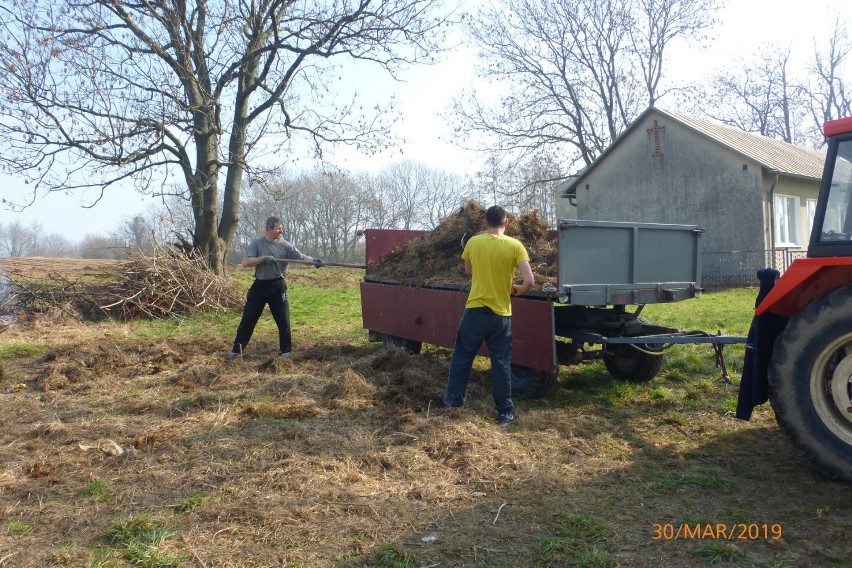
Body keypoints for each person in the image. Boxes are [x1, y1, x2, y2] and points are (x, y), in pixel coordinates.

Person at [443, 205, 535, 424]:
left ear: (485, 222)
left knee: (462, 357)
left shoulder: (473, 242)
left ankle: (453, 402)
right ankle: (505, 411)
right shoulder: (515, 246)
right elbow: (530, 280)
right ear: (507, 222)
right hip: (501, 313)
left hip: (475, 310)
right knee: (501, 362)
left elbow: (469, 270)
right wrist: (517, 290)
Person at [228, 216, 322, 359]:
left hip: (278, 286)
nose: (281, 231)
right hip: (259, 286)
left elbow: (301, 257)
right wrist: (262, 259)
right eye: (278, 228)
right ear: (269, 229)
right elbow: (245, 262)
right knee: (248, 319)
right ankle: (236, 350)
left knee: (283, 320)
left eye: (281, 228)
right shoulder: (257, 244)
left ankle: (286, 352)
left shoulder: (286, 245)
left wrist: (314, 261)